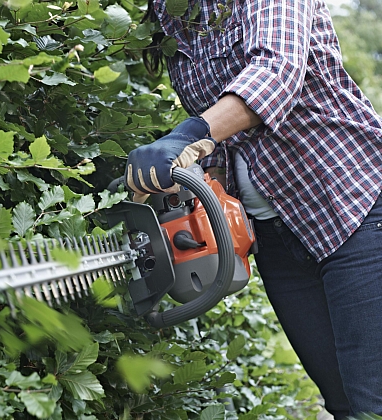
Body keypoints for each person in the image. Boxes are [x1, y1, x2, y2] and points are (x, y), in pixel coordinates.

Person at [124, 0, 382, 418]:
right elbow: (228, 137)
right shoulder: (171, 14)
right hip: (278, 234)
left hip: (354, 205)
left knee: (372, 404)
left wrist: (188, 135)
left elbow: (277, 70)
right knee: (343, 402)